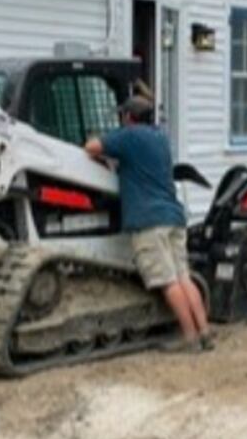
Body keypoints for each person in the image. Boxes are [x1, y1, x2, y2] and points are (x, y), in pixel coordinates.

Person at [85, 96, 213, 351]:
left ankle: (189, 339)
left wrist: (100, 139)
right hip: (173, 217)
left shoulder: (130, 136)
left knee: (168, 282)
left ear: (129, 118)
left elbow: (91, 147)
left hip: (149, 221)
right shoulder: (160, 139)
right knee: (183, 277)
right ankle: (205, 332)